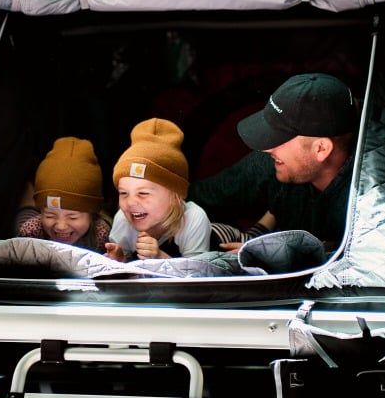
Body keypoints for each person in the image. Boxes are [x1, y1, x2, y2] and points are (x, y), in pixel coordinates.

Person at [189, 72, 357, 253]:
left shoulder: (366, 203)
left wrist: (277, 257)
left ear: (321, 149)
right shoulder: (273, 163)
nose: (266, 149)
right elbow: (201, 195)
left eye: (278, 137)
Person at [104, 118, 211, 261]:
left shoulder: (193, 219)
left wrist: (159, 257)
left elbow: (198, 275)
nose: (130, 202)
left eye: (143, 193)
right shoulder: (123, 219)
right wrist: (120, 259)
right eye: (124, 193)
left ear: (175, 196)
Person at [15, 136, 111, 252]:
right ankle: (28, 187)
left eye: (72, 217)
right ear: (41, 212)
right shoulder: (30, 232)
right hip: (30, 223)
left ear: (92, 215)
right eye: (50, 215)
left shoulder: (100, 234)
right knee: (26, 210)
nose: (61, 226)